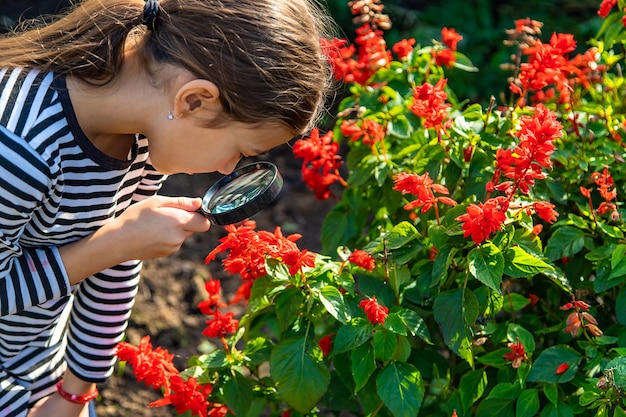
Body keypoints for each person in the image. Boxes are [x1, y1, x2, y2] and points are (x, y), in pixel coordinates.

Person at [0, 0, 333, 415]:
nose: (229, 168)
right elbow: (111, 254)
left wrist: (74, 392)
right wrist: (115, 244)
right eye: (240, 151)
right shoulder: (19, 149)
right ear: (193, 101)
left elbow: (114, 271)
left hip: (34, 354)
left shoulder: (142, 134)